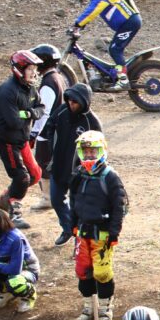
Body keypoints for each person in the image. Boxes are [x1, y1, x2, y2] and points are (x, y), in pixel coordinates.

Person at [70, 130, 127, 320]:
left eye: (93, 151)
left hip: (102, 234)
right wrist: (71, 225)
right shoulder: (78, 174)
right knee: (82, 270)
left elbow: (119, 206)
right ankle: (89, 306)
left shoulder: (110, 177)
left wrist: (114, 232)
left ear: (101, 151)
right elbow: (72, 201)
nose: (89, 155)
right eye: (85, 151)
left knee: (102, 273)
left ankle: (104, 309)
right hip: (82, 231)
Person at [35, 83, 101, 246]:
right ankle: (68, 229)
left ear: (84, 102)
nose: (71, 104)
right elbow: (49, 126)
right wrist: (52, 148)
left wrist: (89, 170)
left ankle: (80, 239)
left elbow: (100, 151)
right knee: (56, 200)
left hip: (79, 173)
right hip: (58, 167)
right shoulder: (62, 111)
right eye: (69, 100)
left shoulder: (91, 122)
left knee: (79, 207)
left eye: (75, 101)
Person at [0, 50, 45, 230]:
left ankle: (5, 198)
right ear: (20, 69)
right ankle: (15, 213)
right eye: (30, 69)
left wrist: (27, 113)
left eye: (35, 69)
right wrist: (30, 114)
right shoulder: (7, 91)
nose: (34, 73)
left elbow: (41, 108)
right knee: (21, 177)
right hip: (7, 140)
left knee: (35, 174)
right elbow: (13, 122)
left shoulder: (31, 88)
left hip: (21, 138)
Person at [72, 0, 141, 90]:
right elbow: (93, 11)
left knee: (115, 49)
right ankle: (118, 74)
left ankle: (123, 80)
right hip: (127, 22)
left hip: (129, 22)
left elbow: (93, 10)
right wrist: (81, 25)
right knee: (114, 48)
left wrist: (77, 24)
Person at [28, 43, 68, 213]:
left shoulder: (48, 82)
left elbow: (44, 112)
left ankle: (48, 198)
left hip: (48, 132)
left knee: (43, 164)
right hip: (58, 130)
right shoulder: (58, 78)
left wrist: (34, 133)